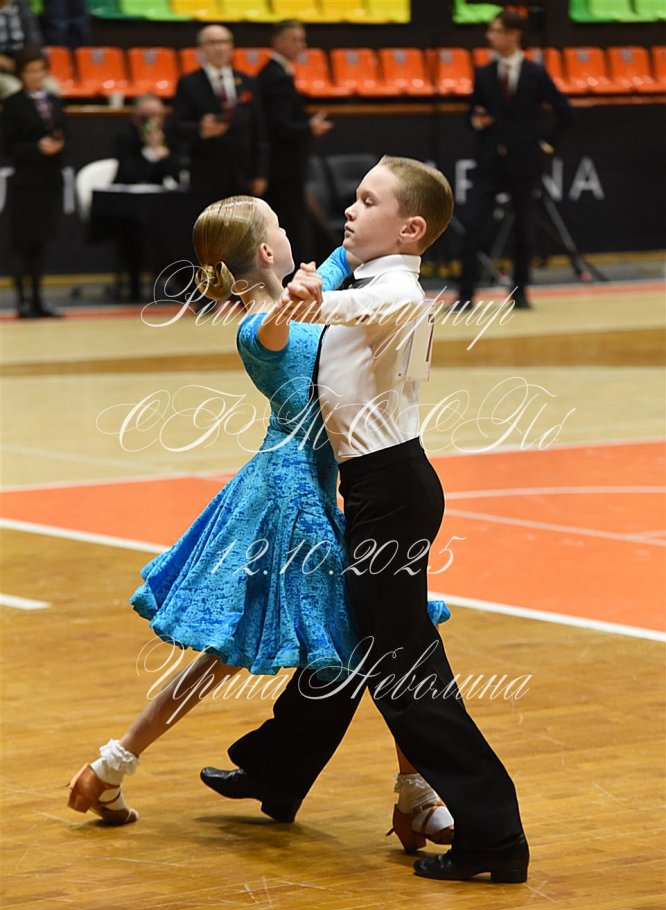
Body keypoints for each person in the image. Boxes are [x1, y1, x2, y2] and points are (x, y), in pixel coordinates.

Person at [67, 194, 455, 853]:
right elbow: (278, 325)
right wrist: (301, 295)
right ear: (268, 252)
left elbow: (350, 259)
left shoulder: (303, 292)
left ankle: (109, 767)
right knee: (369, 635)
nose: (290, 230)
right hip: (285, 498)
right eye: (278, 224)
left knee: (333, 641)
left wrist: (396, 221)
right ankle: (415, 795)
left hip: (311, 487)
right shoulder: (258, 325)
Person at [202, 156, 530, 884]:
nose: (350, 210)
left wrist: (311, 296)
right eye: (353, 197)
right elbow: (336, 286)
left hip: (392, 492)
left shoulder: (397, 291)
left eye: (368, 201)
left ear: (410, 229)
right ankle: (278, 767)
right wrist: (319, 282)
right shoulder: (366, 276)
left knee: (404, 671)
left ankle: (494, 836)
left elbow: (352, 308)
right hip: (382, 489)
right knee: (357, 646)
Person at [457, 10, 574, 310]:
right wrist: (476, 121)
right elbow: (471, 114)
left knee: (523, 227)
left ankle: (520, 291)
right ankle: (465, 293)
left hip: (524, 162)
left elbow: (565, 112)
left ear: (514, 34)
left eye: (496, 31)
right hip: (490, 161)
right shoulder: (484, 73)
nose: (490, 36)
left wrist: (545, 145)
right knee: (473, 223)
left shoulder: (535, 73)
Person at [257, 19, 332, 270]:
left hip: (286, 164)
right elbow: (278, 124)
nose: (302, 45)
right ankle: (294, 274)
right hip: (282, 166)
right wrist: (309, 128)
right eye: (295, 39)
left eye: (303, 39)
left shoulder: (280, 73)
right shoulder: (275, 76)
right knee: (289, 222)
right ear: (278, 42)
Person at [171, 24, 268, 210]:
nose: (220, 48)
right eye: (213, 43)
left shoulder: (247, 81)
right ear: (201, 49)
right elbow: (177, 127)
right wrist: (201, 129)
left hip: (242, 172)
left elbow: (259, 130)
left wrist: (260, 173)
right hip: (206, 172)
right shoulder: (189, 83)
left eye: (224, 42)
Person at [2, 46, 65, 319]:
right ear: (21, 74)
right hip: (26, 180)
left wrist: (58, 145)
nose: (36, 75)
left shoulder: (55, 101)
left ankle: (39, 298)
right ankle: (22, 300)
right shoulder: (13, 104)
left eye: (40, 70)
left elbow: (65, 133)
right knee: (22, 242)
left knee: (41, 241)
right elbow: (7, 146)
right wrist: (36, 148)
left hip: (49, 179)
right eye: (30, 71)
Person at [112, 93, 179, 301]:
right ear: (136, 118)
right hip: (130, 206)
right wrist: (149, 153)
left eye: (158, 115)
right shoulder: (125, 138)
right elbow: (128, 173)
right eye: (147, 116)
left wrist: (162, 153)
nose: (153, 121)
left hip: (163, 204)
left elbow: (174, 174)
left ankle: (181, 281)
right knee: (134, 230)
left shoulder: (170, 136)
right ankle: (134, 285)